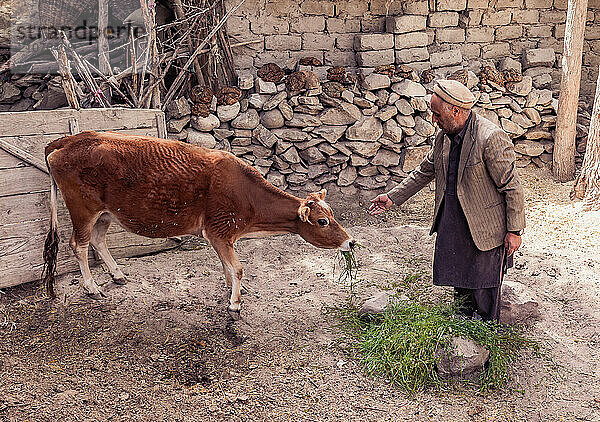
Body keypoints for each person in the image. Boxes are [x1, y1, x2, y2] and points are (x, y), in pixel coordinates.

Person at [369, 79, 525, 322]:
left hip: (486, 228)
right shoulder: (444, 137)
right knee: (461, 283)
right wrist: (391, 198)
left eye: (436, 113)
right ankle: (463, 337)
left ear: (455, 111)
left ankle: (484, 345)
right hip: (454, 221)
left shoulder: (490, 138)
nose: (433, 119)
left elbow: (512, 187)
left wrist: (515, 231)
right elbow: (423, 171)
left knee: (483, 289)